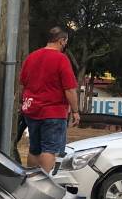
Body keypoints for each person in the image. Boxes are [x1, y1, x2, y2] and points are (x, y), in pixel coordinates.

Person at [19, 26, 80, 172]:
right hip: (53, 112)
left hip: (32, 110)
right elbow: (70, 89)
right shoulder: (61, 59)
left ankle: (31, 181)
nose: (65, 45)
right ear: (61, 40)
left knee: (34, 149)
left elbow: (22, 84)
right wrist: (76, 111)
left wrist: (23, 102)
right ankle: (44, 184)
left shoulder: (32, 57)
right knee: (49, 150)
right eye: (66, 42)